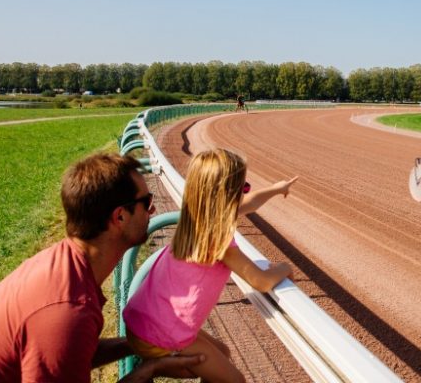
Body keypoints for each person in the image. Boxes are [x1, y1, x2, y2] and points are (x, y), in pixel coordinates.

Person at [0, 153, 204, 383]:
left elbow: (68, 356)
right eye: (147, 203)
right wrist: (147, 371)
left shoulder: (63, 265)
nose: (153, 212)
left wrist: (139, 344)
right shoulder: (66, 310)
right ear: (119, 216)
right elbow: (61, 340)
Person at [122, 149, 297, 383]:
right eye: (243, 187)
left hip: (140, 320)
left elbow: (250, 203)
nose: (246, 193)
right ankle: (157, 364)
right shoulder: (217, 237)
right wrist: (285, 267)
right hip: (158, 334)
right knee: (235, 380)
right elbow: (261, 281)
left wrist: (277, 188)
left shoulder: (194, 217)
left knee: (222, 352)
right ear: (228, 195)